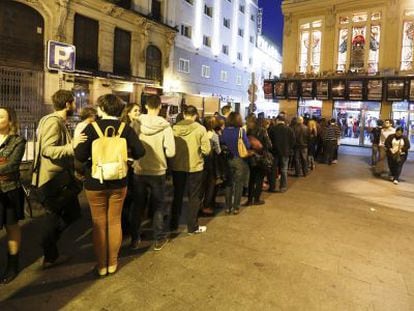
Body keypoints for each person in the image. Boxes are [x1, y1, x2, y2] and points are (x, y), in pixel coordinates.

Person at [75, 94, 145, 277]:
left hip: (95, 181)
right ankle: (113, 263)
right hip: (119, 180)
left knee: (99, 223)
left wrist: (78, 144)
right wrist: (127, 159)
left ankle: (101, 265)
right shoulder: (126, 129)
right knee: (114, 221)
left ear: (102, 108)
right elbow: (140, 151)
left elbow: (80, 156)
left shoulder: (91, 128)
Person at [32, 90, 85, 269]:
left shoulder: (55, 121)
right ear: (68, 104)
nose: (75, 105)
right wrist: (73, 146)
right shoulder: (53, 123)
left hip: (59, 178)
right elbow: (47, 150)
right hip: (53, 180)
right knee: (54, 216)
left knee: (72, 214)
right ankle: (48, 250)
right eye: (74, 102)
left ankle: (49, 245)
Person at [129, 95, 175, 251]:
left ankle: (135, 238)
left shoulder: (136, 123)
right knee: (158, 206)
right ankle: (159, 239)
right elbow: (171, 152)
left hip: (139, 169)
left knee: (138, 206)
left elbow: (131, 145)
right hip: (158, 171)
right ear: (160, 106)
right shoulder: (165, 126)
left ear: (146, 106)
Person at [169, 105, 211, 234]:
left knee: (177, 195)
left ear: (184, 114)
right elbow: (207, 150)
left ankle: (173, 224)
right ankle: (192, 226)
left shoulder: (174, 128)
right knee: (194, 196)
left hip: (177, 166)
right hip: (195, 166)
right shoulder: (200, 129)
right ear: (195, 115)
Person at [0, 107, 26, 284]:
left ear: (10, 121)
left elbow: (12, 165)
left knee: (11, 227)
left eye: (1, 116)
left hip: (9, 190)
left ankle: (12, 264)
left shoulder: (18, 141)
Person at [220, 112, 251, 214]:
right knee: (238, 184)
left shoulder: (224, 131)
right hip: (239, 160)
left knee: (228, 184)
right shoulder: (241, 131)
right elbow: (247, 145)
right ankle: (236, 207)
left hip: (227, 160)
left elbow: (221, 142)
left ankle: (227, 207)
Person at [245, 115, 272, 205]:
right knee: (259, 179)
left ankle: (249, 200)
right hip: (261, 157)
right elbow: (269, 145)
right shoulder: (263, 131)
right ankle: (256, 199)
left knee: (251, 179)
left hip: (251, 157)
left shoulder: (249, 131)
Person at [268, 115, 295, 193]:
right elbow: (293, 141)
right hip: (285, 152)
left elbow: (269, 141)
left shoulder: (272, 129)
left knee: (273, 170)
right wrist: (289, 148)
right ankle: (283, 187)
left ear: (277, 120)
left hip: (274, 152)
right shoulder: (289, 129)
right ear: (284, 120)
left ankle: (272, 186)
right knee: (284, 170)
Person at [201, 116, 221, 215]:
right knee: (210, 184)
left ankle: (200, 204)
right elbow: (218, 150)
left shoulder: (201, 132)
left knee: (202, 184)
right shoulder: (214, 135)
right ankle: (207, 205)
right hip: (211, 162)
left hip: (201, 161)